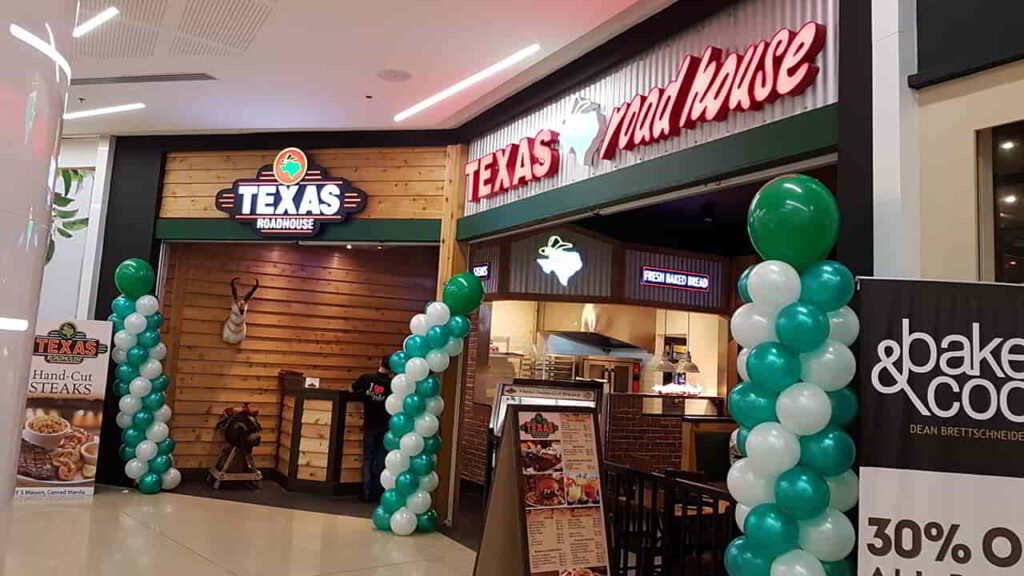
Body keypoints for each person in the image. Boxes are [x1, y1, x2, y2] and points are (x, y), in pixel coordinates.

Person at [352, 357, 392, 501]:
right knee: (381, 459)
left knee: (368, 459)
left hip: (369, 425)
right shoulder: (393, 384)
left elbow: (352, 389)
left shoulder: (366, 379)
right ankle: (378, 491)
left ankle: (366, 492)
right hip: (386, 427)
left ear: (379, 362)